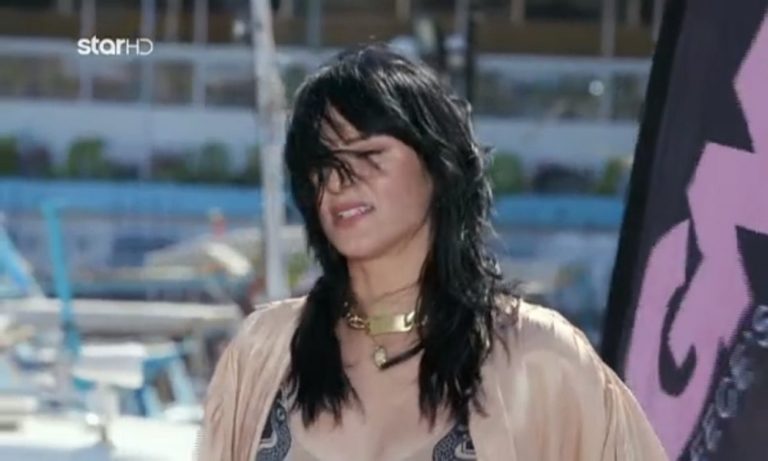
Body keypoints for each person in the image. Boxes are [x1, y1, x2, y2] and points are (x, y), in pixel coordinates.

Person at [197, 44, 668, 461]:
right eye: (322, 166)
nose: (339, 182)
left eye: (368, 156)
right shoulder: (265, 350)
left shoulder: (537, 356)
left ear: (439, 166)